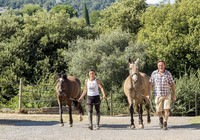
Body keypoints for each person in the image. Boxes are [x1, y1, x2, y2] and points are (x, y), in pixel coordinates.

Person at [148, 60, 176, 130]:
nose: (161, 66)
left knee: (166, 109)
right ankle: (160, 118)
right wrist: (149, 94)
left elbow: (172, 84)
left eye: (162, 65)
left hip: (167, 94)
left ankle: (165, 123)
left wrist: (174, 94)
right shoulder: (154, 73)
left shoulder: (168, 73)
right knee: (158, 110)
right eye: (159, 65)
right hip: (158, 94)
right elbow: (150, 84)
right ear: (157, 66)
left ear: (164, 66)